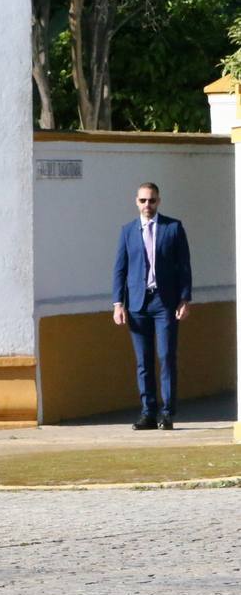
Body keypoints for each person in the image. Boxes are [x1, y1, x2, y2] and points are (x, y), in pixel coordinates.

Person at [112, 182, 192, 430]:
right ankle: (148, 412)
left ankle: (166, 413)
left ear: (159, 201)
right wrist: (118, 304)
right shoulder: (127, 231)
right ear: (136, 202)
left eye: (152, 200)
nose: (148, 205)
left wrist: (185, 299)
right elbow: (120, 269)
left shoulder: (173, 228)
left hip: (164, 302)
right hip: (137, 303)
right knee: (143, 360)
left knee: (166, 356)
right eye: (144, 200)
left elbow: (184, 266)